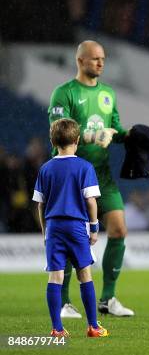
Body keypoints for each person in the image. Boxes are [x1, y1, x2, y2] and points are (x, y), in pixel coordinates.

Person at [49, 40, 134, 318]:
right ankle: (63, 302)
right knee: (74, 239)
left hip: (102, 175)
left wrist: (130, 135)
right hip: (72, 174)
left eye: (103, 59)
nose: (100, 63)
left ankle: (107, 298)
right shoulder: (64, 93)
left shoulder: (108, 93)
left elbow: (115, 129)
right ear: (80, 61)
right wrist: (88, 136)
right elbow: (58, 133)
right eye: (95, 58)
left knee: (119, 230)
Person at [33, 118, 109, 337]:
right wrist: (94, 228)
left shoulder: (46, 168)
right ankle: (93, 327)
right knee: (84, 274)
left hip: (54, 226)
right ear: (77, 140)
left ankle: (57, 329)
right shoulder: (85, 167)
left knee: (55, 277)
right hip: (76, 226)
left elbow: (41, 204)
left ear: (53, 141)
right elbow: (90, 201)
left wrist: (45, 231)